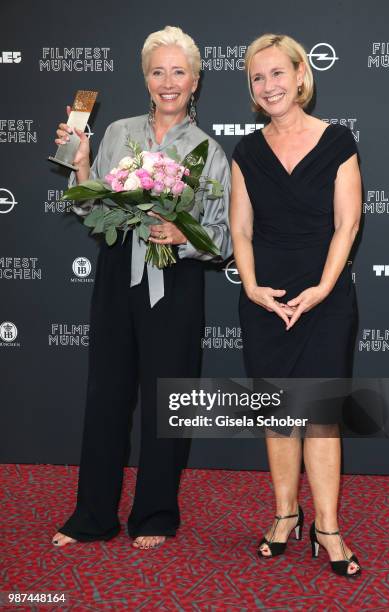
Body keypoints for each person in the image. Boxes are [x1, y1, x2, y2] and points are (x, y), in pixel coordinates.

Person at [51, 25, 231, 550]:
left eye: (179, 72)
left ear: (195, 81)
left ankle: (154, 513)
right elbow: (89, 208)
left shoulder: (208, 150)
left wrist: (183, 233)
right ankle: (93, 515)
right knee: (106, 393)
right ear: (145, 78)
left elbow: (222, 236)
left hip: (175, 280)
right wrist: (80, 164)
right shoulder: (117, 133)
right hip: (117, 272)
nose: (168, 82)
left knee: (167, 400)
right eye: (158, 71)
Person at [230, 34, 362, 577]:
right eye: (258, 78)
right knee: (279, 417)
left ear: (300, 75)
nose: (269, 86)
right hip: (267, 300)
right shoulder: (246, 151)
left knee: (322, 418)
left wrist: (325, 288)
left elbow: (347, 223)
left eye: (277, 74)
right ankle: (286, 515)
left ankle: (326, 528)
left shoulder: (337, 141)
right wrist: (253, 288)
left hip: (325, 298)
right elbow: (240, 227)